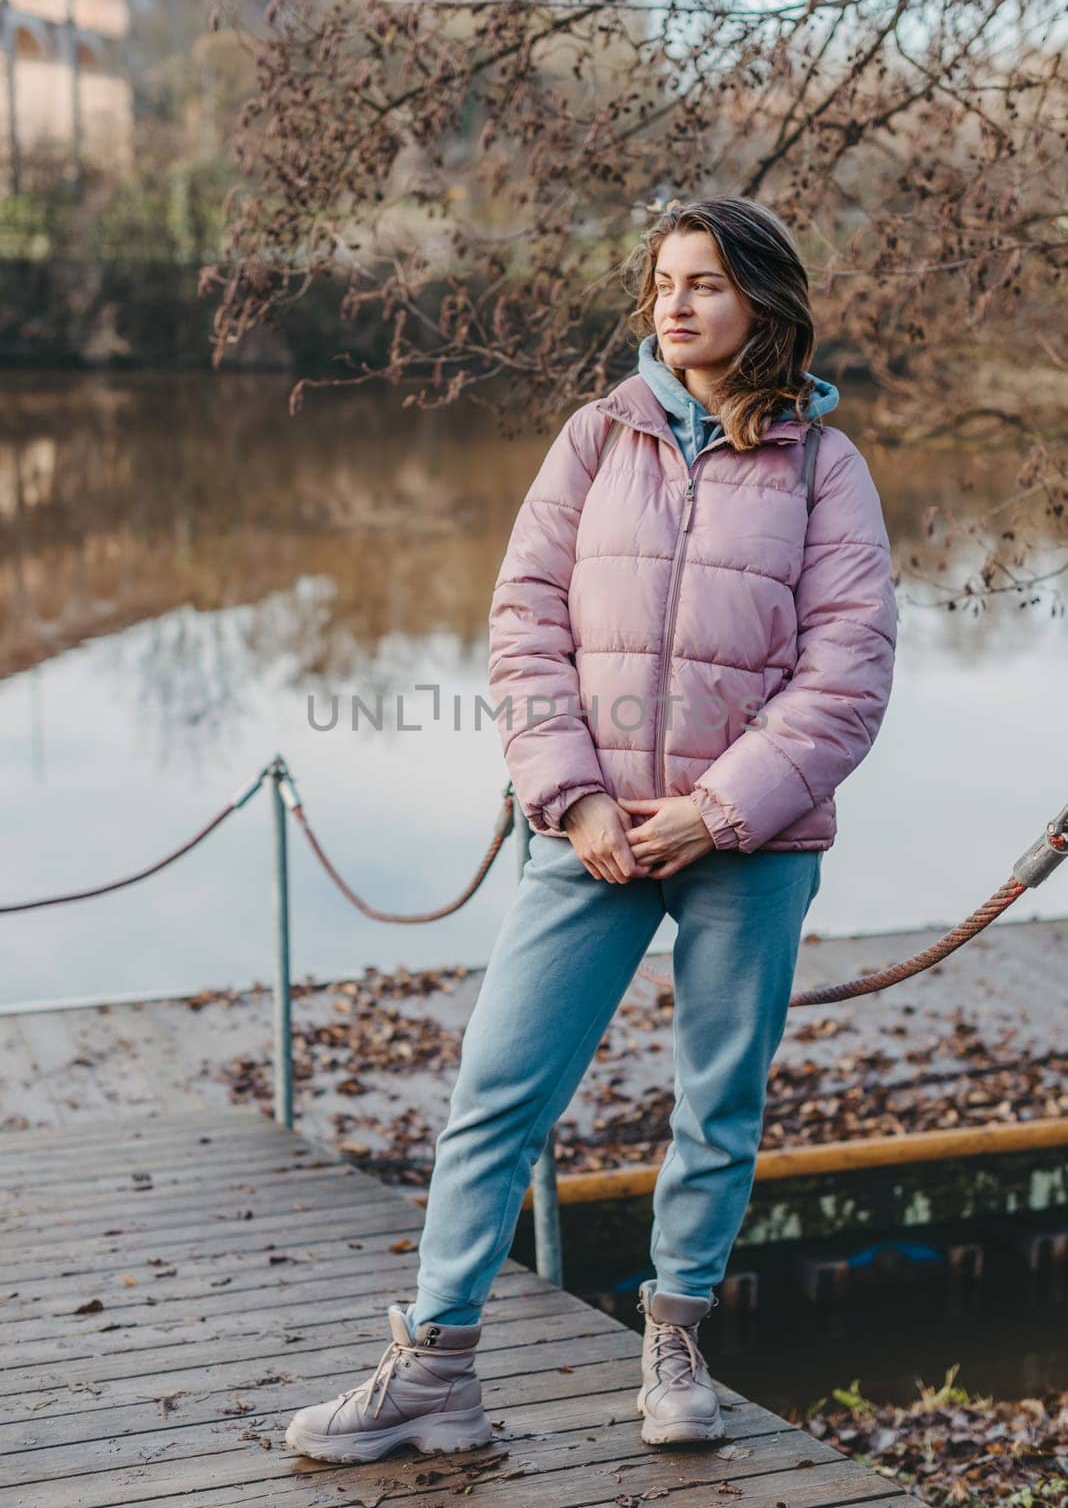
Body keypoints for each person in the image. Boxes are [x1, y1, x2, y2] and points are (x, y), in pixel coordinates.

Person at [285, 195, 898, 1463]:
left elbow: (848, 672)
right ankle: (432, 1368)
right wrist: (577, 798)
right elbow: (524, 624)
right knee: (495, 1092)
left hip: (751, 844)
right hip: (593, 832)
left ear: (765, 306)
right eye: (665, 283)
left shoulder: (826, 469)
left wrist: (717, 810)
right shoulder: (594, 439)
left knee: (718, 1098)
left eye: (708, 284)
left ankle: (673, 1342)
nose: (677, 305)